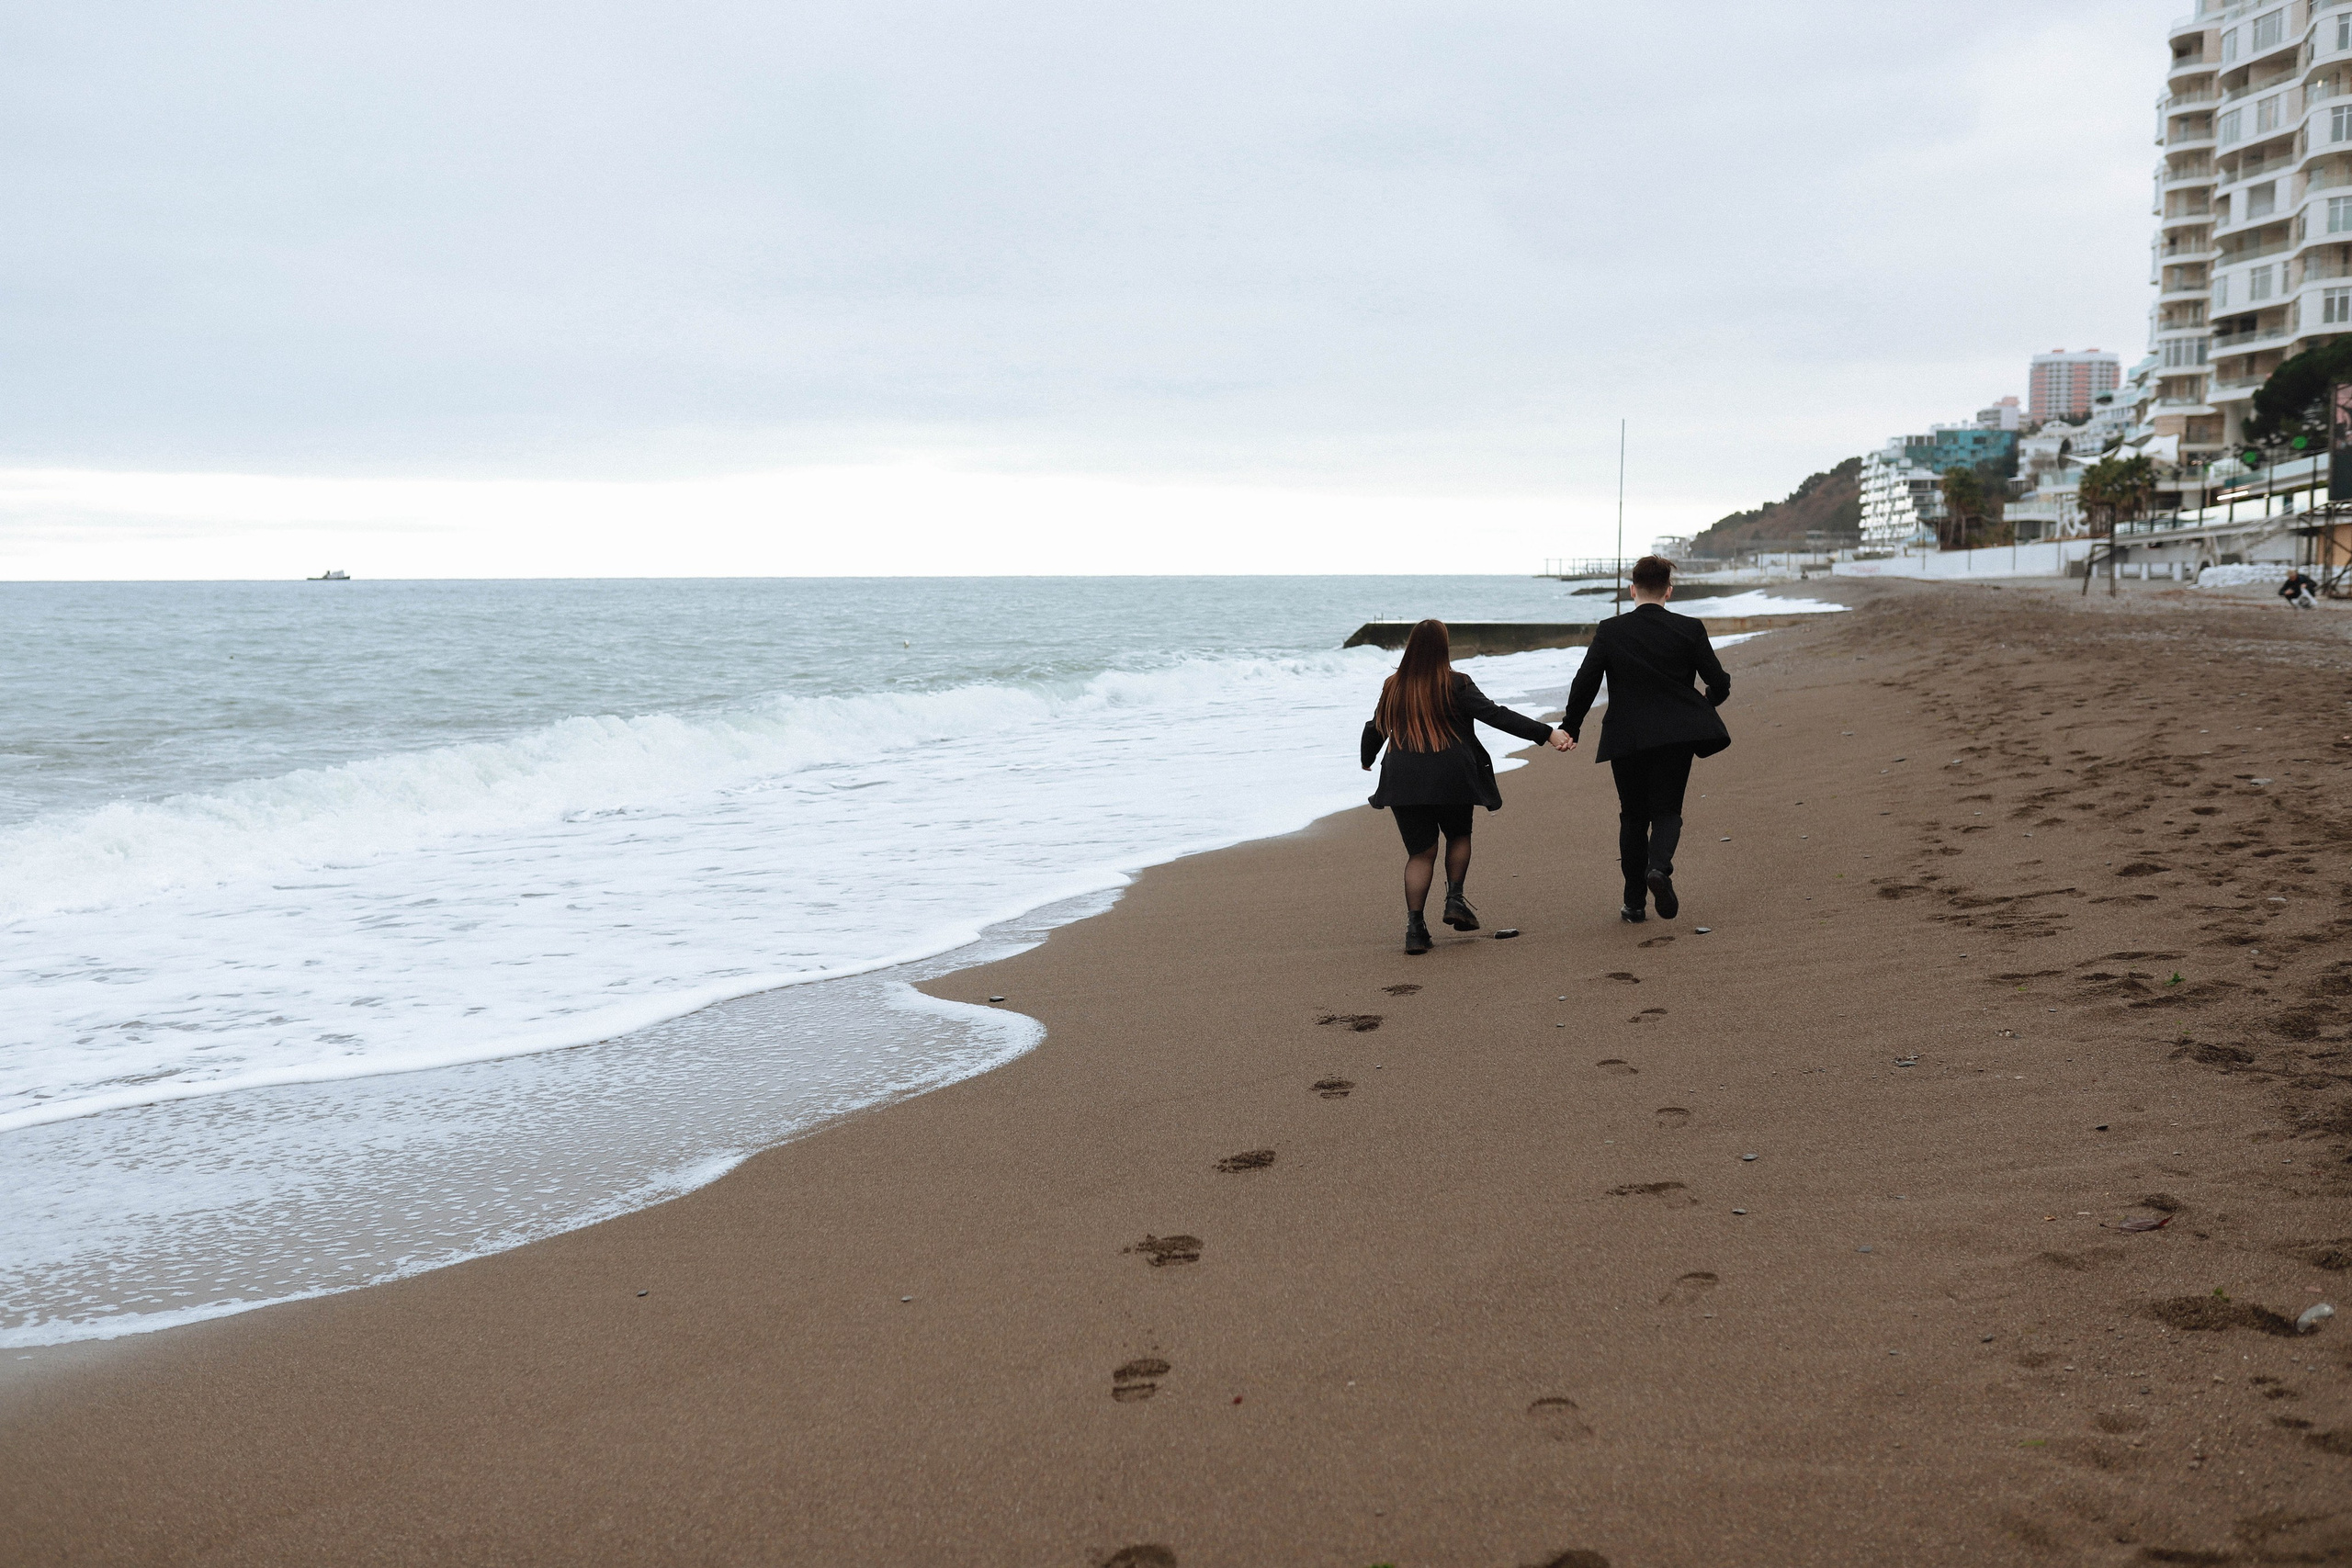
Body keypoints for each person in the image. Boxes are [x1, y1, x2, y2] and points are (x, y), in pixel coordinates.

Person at [1361, 618, 1567, 953]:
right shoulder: (1455, 684)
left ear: (1410, 649)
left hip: (1404, 780)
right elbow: (1496, 715)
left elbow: (1376, 726)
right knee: (1457, 835)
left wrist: (1366, 757)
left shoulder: (1393, 685)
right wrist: (1546, 733)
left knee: (1420, 853)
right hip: (1451, 775)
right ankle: (1454, 900)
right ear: (1444, 649)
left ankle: (1415, 929)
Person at [1559, 557, 1731, 923]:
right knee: (1668, 811)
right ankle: (1659, 869)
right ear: (1669, 590)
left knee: (1633, 817)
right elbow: (1719, 681)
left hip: (1627, 736)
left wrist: (1571, 727)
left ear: (1632, 589)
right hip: (1676, 736)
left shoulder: (1610, 629)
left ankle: (1634, 903)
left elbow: (1585, 681)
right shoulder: (1690, 628)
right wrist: (1707, 702)